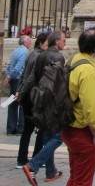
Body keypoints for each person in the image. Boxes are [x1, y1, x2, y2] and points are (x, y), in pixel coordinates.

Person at [22, 30, 66, 185]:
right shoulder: (58, 57)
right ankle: (33, 165)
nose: (65, 42)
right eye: (63, 40)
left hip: (39, 99)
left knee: (47, 136)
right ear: (56, 42)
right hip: (52, 103)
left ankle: (51, 171)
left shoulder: (40, 55)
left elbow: (34, 77)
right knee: (58, 137)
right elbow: (59, 84)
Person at [62, 28, 95, 186]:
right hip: (82, 131)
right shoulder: (88, 70)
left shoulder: (73, 60)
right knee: (83, 181)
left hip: (68, 126)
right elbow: (90, 109)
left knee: (75, 177)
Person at [15, 33, 48, 168]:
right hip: (33, 96)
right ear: (40, 43)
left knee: (27, 129)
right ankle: (37, 158)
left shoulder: (31, 53)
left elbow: (24, 74)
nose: (48, 45)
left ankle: (21, 159)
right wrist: (23, 91)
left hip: (27, 96)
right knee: (41, 128)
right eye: (47, 42)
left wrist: (19, 90)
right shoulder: (39, 56)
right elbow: (31, 78)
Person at [5, 35, 32, 135]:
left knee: (12, 104)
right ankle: (20, 129)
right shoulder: (25, 52)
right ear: (25, 42)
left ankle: (10, 129)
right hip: (19, 81)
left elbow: (9, 66)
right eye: (29, 41)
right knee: (21, 104)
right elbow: (18, 68)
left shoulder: (15, 51)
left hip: (13, 81)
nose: (30, 43)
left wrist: (8, 76)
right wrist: (11, 76)